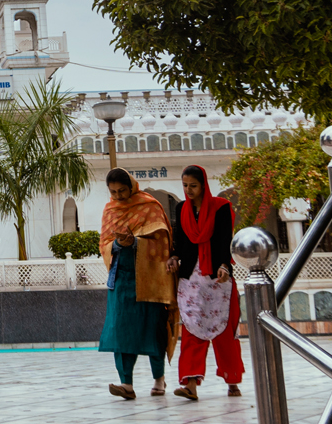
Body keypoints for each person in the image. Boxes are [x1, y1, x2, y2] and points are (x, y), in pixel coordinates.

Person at [98, 168, 176, 400]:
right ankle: (126, 384)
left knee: (153, 327)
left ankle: (159, 379)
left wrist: (135, 242)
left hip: (150, 277)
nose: (119, 196)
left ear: (132, 186)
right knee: (121, 329)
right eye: (113, 192)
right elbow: (104, 243)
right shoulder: (110, 209)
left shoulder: (149, 206)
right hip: (121, 279)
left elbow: (163, 242)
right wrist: (118, 244)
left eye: (122, 191)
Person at [170, 164, 244, 400]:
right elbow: (180, 241)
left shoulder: (221, 207)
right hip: (191, 279)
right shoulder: (182, 208)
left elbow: (225, 239)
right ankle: (190, 384)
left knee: (223, 329)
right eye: (185, 185)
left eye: (193, 185)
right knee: (192, 328)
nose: (188, 190)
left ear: (203, 185)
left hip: (217, 278)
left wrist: (224, 264)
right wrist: (174, 257)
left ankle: (232, 381)